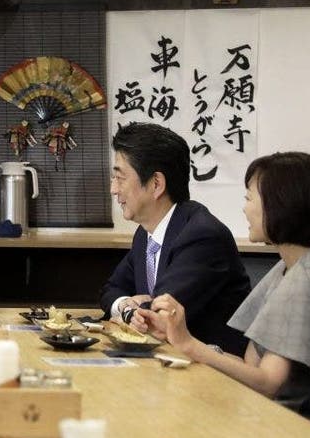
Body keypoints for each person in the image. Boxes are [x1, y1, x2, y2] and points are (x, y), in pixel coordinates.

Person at [139, 152, 310, 438]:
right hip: (298, 424)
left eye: (250, 198)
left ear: (281, 204)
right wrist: (181, 336)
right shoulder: (290, 267)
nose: (244, 209)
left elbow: (269, 383)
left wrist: (190, 345)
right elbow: (252, 366)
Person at [99, 122, 250, 355]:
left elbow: (158, 316)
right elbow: (111, 290)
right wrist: (127, 306)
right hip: (166, 362)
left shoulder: (203, 235)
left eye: (120, 178)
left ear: (156, 184)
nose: (113, 189)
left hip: (215, 374)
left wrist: (132, 311)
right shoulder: (145, 233)